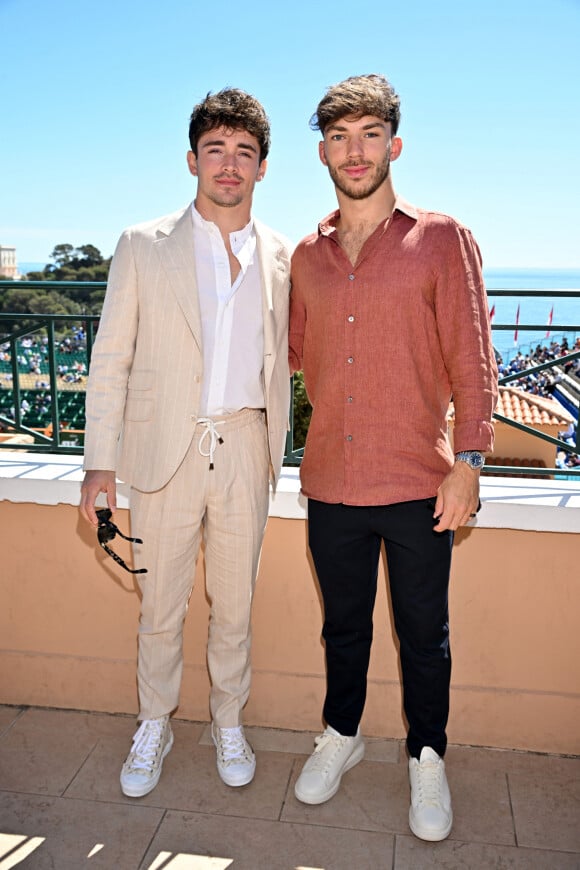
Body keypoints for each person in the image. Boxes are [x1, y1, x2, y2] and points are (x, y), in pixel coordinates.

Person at [289, 74, 498, 842]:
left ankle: (427, 754)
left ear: (394, 145)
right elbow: (284, 355)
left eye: (370, 134)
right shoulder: (305, 258)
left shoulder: (441, 239)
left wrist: (470, 459)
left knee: (424, 634)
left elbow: (474, 357)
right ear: (322, 151)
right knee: (342, 628)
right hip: (331, 481)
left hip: (419, 481)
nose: (355, 150)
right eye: (340, 136)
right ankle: (340, 736)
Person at [80, 88, 291, 798]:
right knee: (160, 608)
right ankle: (155, 723)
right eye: (215, 151)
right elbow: (110, 358)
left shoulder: (282, 255)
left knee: (234, 608)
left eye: (244, 153)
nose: (229, 166)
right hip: (164, 452)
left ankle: (227, 721)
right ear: (192, 160)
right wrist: (97, 465)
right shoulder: (144, 245)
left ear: (262, 168)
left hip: (245, 447)